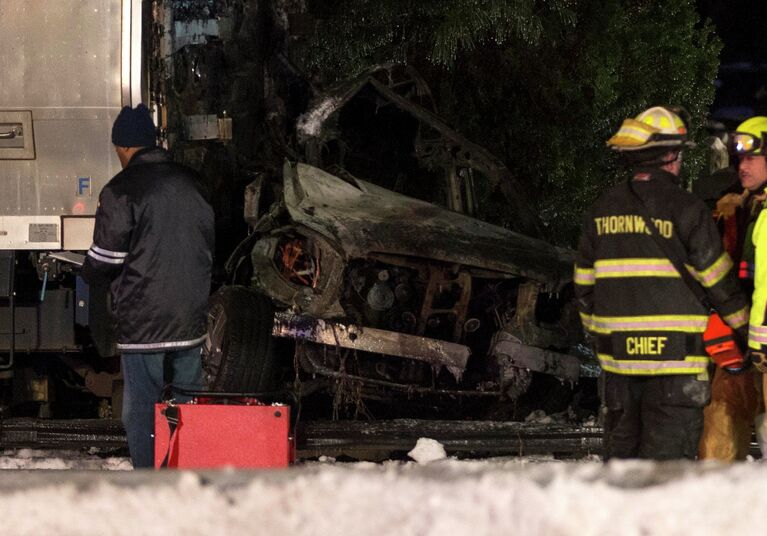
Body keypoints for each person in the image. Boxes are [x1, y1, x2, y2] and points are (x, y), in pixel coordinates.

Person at [574, 106, 749, 460]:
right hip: (676, 367)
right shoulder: (687, 209)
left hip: (619, 365)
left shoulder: (600, 211)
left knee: (622, 468)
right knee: (667, 475)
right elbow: (717, 280)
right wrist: (746, 328)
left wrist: (604, 339)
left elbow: (583, 288)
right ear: (670, 155)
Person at [82, 104, 215, 468]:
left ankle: (149, 480)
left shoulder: (121, 189)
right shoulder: (194, 182)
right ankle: (187, 471)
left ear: (124, 147)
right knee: (187, 402)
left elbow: (107, 258)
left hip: (145, 323)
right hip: (190, 315)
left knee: (142, 408)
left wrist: (88, 275)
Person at [699, 117, 767, 461]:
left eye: (752, 157)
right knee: (719, 438)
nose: (743, 165)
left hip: (760, 346)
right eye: (740, 158)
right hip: (742, 345)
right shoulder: (741, 208)